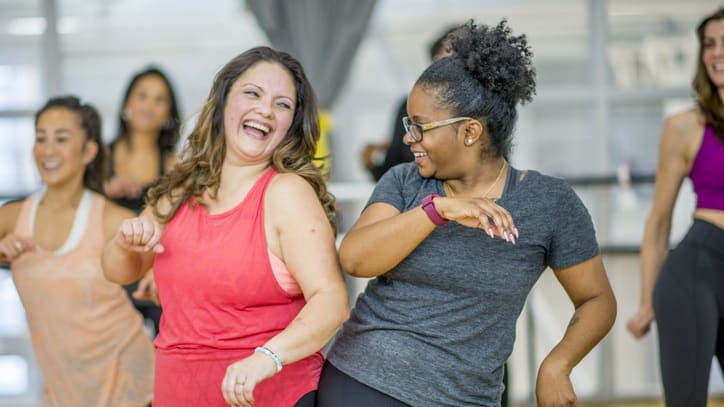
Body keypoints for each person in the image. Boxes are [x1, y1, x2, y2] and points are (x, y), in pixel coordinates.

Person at [318, 20, 617, 407]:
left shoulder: (549, 203)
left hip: (466, 397)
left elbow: (597, 299)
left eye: (420, 127)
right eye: (409, 124)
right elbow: (356, 258)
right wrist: (437, 210)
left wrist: (557, 365)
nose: (408, 138)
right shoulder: (406, 182)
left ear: (470, 132)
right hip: (364, 380)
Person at [101, 46, 349, 407]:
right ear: (222, 103)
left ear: (291, 124)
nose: (265, 109)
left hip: (271, 396)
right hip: (178, 394)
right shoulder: (180, 189)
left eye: (282, 104)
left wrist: (268, 356)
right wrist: (125, 243)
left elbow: (331, 300)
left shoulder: (287, 193)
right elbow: (118, 271)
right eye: (252, 93)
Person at [0, 96, 154, 406]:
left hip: (132, 384)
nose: (48, 150)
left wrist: (158, 279)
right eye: (41, 138)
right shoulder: (13, 217)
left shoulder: (114, 220)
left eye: (61, 139)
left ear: (88, 151)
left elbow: (171, 268)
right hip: (64, 392)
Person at [626, 7, 724, 407]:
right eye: (709, 44)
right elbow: (659, 220)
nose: (716, 53)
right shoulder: (685, 126)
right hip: (696, 272)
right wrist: (646, 299)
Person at [106, 66, 182, 336]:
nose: (149, 105)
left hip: (154, 275)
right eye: (143, 96)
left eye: (159, 99)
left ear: (168, 114)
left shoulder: (175, 166)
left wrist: (156, 271)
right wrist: (103, 189)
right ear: (127, 102)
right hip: (106, 273)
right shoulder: (98, 159)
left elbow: (180, 229)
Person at [361, 24, 461, 181]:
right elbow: (392, 168)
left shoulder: (487, 110)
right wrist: (371, 164)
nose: (408, 138)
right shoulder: (408, 107)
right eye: (439, 63)